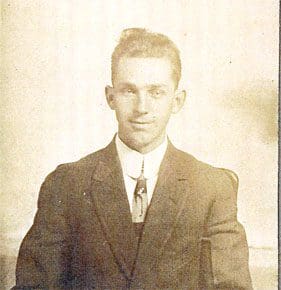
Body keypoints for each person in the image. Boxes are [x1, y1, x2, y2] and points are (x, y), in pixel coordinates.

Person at [14, 28, 252, 289]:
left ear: (177, 101)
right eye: (129, 91)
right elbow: (34, 285)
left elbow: (232, 286)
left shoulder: (211, 187)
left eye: (156, 92)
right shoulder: (68, 184)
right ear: (110, 97)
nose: (141, 108)